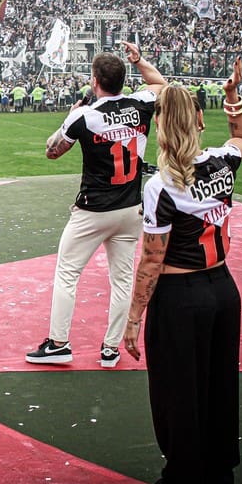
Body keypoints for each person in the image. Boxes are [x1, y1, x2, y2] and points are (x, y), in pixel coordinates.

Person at [122, 57, 242, 484]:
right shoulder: (221, 162)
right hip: (223, 291)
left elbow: (152, 259)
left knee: (178, 394)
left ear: (160, 123)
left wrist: (133, 318)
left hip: (180, 299)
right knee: (219, 388)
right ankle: (218, 479)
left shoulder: (161, 184)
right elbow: (240, 137)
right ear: (198, 119)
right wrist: (231, 94)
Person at [26, 41, 166, 368]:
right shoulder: (140, 102)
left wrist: (69, 117)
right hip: (131, 207)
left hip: (93, 209)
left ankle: (59, 343)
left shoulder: (85, 116)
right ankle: (110, 349)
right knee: (121, 280)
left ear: (95, 81)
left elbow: (52, 151)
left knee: (67, 273)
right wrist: (140, 60)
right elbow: (161, 85)